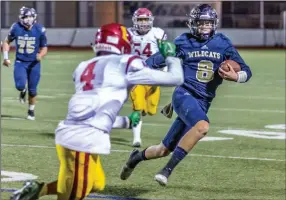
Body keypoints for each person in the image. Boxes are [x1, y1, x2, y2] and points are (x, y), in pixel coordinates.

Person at [11, 23, 184, 200]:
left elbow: (93, 110)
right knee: (76, 192)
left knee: (96, 183)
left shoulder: (84, 66)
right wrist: (171, 57)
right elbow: (176, 78)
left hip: (74, 131)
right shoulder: (127, 62)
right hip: (83, 139)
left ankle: (37, 190)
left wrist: (124, 121)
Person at [120, 4, 252, 186]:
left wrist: (236, 76)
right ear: (193, 23)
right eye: (201, 22)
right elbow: (157, 60)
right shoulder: (184, 41)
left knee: (163, 149)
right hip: (184, 94)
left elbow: (246, 71)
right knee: (202, 127)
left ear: (214, 24)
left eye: (208, 23)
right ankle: (166, 171)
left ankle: (135, 158)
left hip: (203, 102)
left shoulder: (223, 43)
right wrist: (136, 70)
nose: (205, 26)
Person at [128, 7, 167, 147]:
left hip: (153, 75)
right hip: (135, 75)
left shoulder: (158, 33)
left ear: (151, 21)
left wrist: (165, 69)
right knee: (137, 108)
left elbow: (165, 53)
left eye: (145, 20)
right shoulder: (128, 34)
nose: (143, 23)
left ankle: (142, 111)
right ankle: (136, 139)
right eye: (140, 20)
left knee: (150, 110)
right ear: (134, 21)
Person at [2, 6, 48, 120]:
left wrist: (40, 55)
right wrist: (6, 57)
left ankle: (31, 111)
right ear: (21, 17)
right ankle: (23, 91)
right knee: (20, 85)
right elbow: (6, 41)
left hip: (34, 64)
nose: (28, 19)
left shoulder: (39, 29)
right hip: (20, 62)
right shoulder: (16, 27)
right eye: (26, 17)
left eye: (30, 16)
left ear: (35, 17)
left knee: (33, 90)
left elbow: (44, 47)